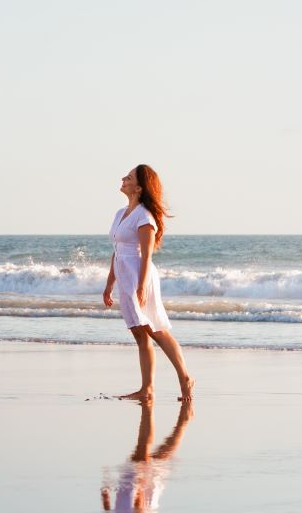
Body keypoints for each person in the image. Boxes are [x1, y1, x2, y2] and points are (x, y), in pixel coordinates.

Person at [103, 165, 194, 403]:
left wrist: (142, 286)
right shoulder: (120, 213)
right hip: (124, 275)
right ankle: (147, 388)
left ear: (139, 188)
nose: (123, 178)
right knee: (139, 333)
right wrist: (109, 283)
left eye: (129, 177)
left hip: (139, 276)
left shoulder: (144, 217)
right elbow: (117, 250)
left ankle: (185, 377)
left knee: (155, 329)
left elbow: (147, 255)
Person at [100, 401, 194, 512]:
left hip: (133, 486)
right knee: (150, 455)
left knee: (158, 457)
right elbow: (139, 504)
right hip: (142, 493)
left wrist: (105, 491)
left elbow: (107, 509)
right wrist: (140, 482)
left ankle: (182, 422)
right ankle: (151, 411)